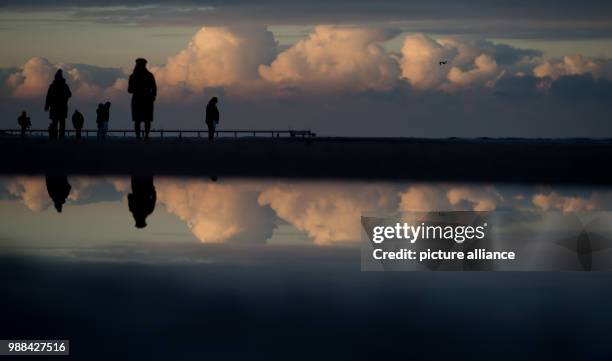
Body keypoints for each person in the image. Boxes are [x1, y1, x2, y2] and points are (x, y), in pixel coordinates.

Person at [128, 58, 157, 140]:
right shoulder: (149, 75)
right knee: (146, 120)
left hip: (138, 99)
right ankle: (146, 136)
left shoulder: (133, 76)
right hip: (147, 99)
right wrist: (153, 96)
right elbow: (154, 88)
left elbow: (129, 90)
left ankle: (138, 136)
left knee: (138, 120)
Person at [44, 69, 71, 140]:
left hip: (57, 107)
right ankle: (59, 136)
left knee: (56, 123)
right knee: (60, 123)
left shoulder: (53, 86)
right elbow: (69, 94)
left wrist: (47, 105)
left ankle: (56, 136)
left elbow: (48, 96)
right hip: (60, 107)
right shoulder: (63, 85)